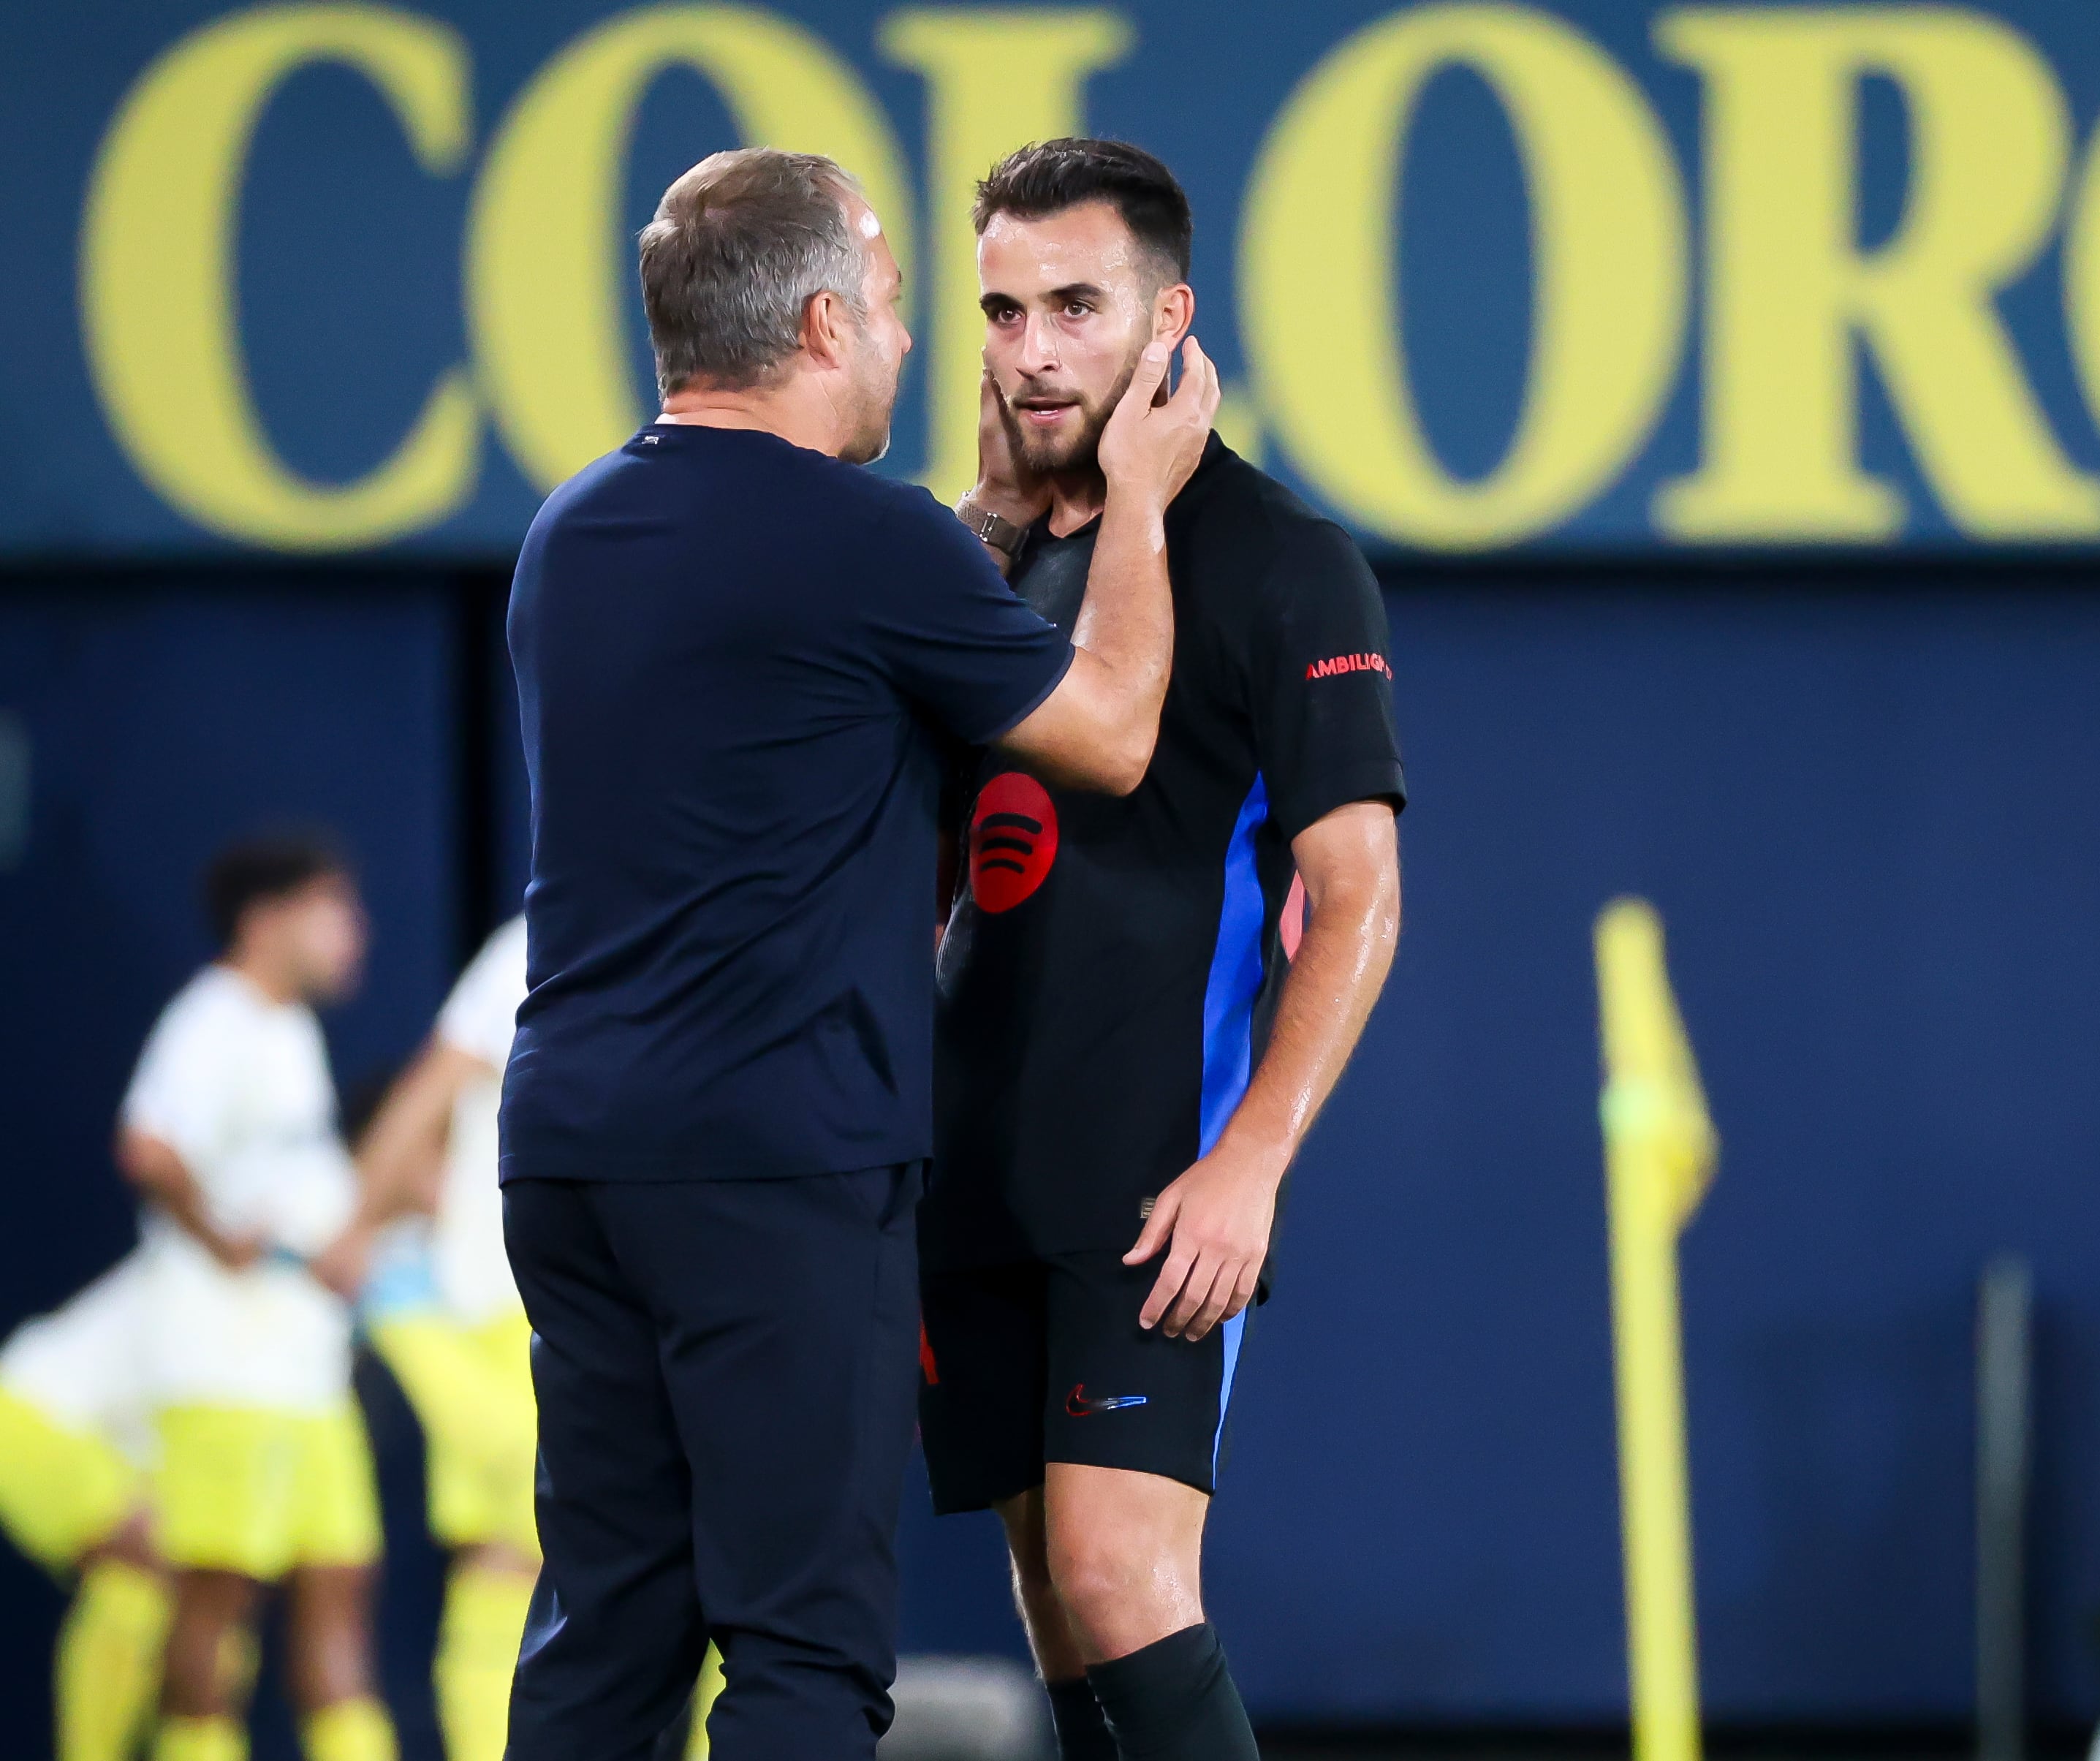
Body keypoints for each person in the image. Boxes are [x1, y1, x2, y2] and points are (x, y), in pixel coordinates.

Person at [499, 145, 1214, 1761]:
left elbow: (816, 680)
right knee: (805, 1654)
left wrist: (969, 526)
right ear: (822, 326)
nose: (923, 346)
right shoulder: (859, 538)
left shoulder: (574, 529)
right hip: (777, 1163)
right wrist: (1146, 501)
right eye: (898, 308)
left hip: (575, 1157)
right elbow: (1102, 731)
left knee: (609, 1632)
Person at [925, 139, 1405, 1761]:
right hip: (969, 1165)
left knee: (1120, 1574)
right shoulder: (977, 560)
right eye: (1002, 310)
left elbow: (1359, 893)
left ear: (1169, 315)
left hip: (1153, 1180)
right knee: (1058, 1609)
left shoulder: (1282, 558)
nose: (1033, 348)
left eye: (1074, 303)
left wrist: (1252, 1159)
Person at [115, 833, 393, 1761]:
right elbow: (149, 1146)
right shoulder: (214, 1017)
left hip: (303, 1374)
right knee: (218, 1596)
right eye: (336, 909)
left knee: (341, 1582)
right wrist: (221, 1238)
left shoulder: (286, 1029)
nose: (356, 932)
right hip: (225, 1371)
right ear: (267, 920)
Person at [317, 915, 535, 1761]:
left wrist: (351, 1237)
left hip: (522, 1312)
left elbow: (433, 1083)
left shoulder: (545, 924)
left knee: (504, 1567)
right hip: (558, 1307)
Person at [0, 1249, 173, 1761]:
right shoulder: (214, 1276)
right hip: (33, 1419)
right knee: (154, 1578)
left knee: (173, 1595)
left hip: (86, 1435)